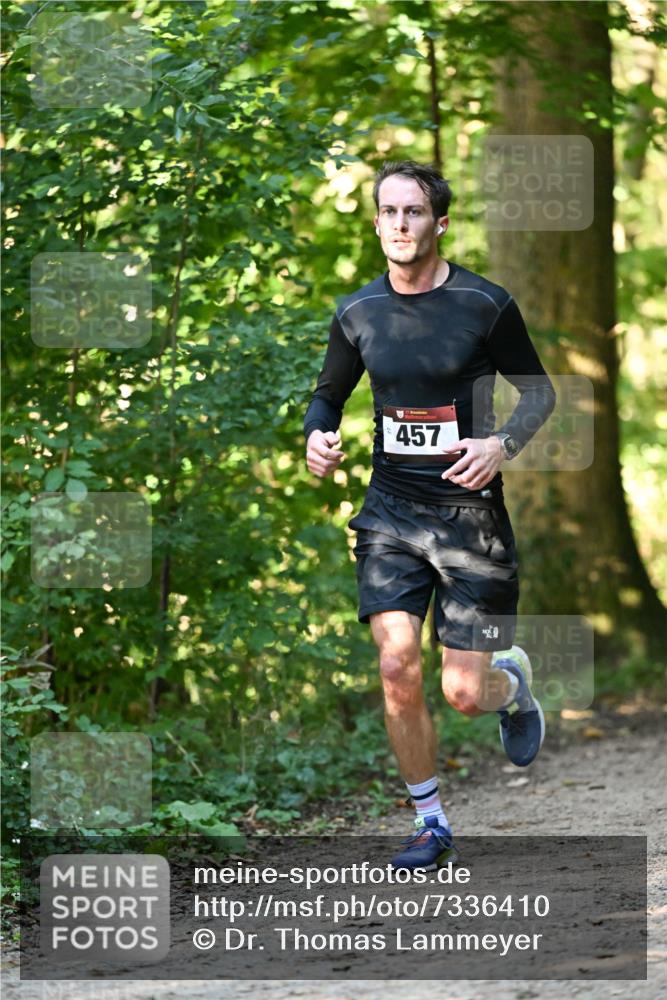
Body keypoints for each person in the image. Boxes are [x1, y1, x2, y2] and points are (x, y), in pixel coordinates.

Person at [303, 160, 556, 870]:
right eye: (388, 212)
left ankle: (511, 685)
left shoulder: (484, 304)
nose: (400, 224)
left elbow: (538, 395)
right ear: (377, 222)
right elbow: (327, 397)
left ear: (438, 223)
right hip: (389, 513)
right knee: (394, 663)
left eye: (413, 212)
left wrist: (500, 444)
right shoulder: (357, 313)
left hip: (470, 519)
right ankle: (431, 822)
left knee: (464, 695)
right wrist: (317, 435)